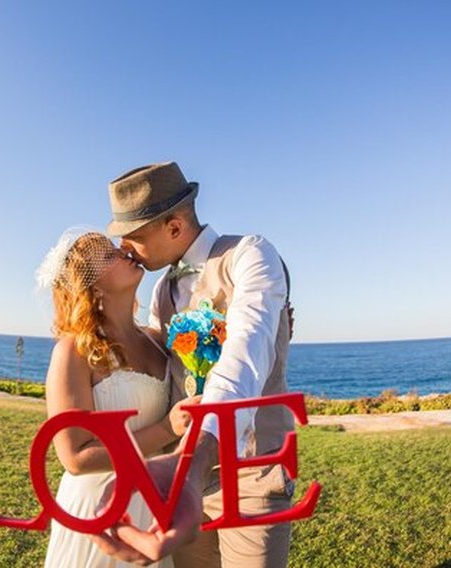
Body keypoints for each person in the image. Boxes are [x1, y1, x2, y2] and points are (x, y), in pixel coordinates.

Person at [90, 162, 295, 567]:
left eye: (133, 237)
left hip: (252, 473)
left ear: (174, 227)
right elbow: (156, 362)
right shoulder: (161, 290)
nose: (125, 248)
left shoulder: (249, 256)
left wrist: (193, 460)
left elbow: (244, 355)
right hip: (181, 477)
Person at [38, 229, 198, 568]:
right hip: (99, 507)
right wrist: (167, 429)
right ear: (92, 284)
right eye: (109, 255)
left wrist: (276, 335)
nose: (124, 249)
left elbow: (205, 374)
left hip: (152, 505)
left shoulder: (158, 340)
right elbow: (75, 457)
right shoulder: (75, 350)